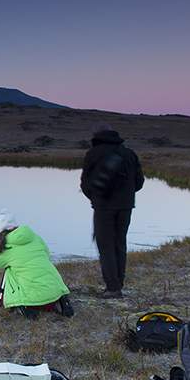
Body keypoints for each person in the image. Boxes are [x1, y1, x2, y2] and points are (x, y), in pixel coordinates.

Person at [80, 125, 145, 298]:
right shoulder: (129, 154)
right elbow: (139, 182)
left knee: (105, 245)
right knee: (120, 243)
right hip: (126, 206)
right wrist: (126, 195)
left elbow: (85, 183)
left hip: (103, 207)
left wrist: (96, 198)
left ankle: (112, 287)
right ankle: (118, 283)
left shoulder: (93, 154)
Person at [0, 210, 74, 319]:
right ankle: (62, 301)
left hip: (33, 301)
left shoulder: (6, 246)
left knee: (10, 269)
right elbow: (46, 254)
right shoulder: (35, 237)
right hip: (55, 293)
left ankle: (23, 307)